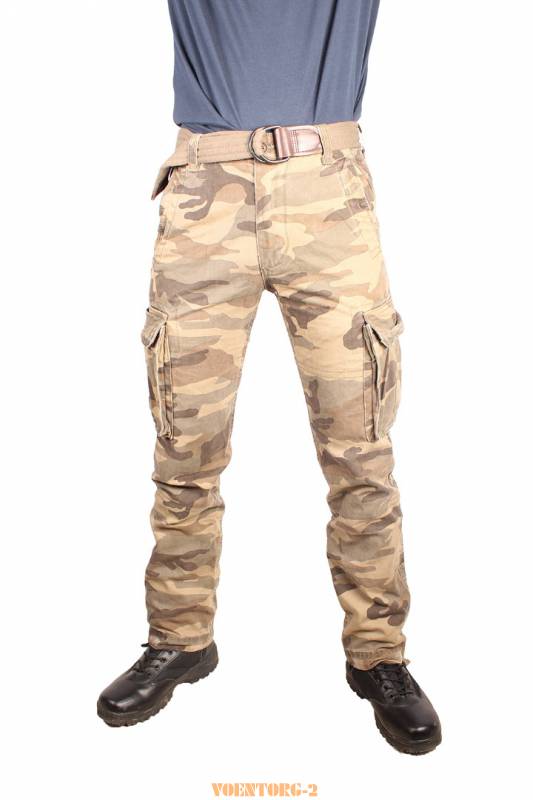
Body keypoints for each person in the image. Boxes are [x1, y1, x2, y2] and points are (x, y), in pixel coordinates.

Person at [97, 0, 441, 755]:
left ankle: (379, 655)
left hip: (329, 197)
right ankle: (179, 637)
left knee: (360, 450)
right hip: (205, 194)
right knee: (184, 446)